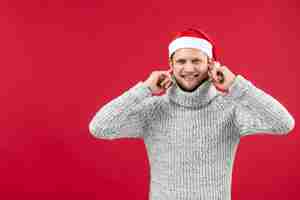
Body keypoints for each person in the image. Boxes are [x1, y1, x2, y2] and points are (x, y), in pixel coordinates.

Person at [88, 27, 295, 200]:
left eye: (196, 61)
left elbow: (283, 123)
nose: (188, 68)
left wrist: (235, 84)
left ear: (211, 64)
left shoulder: (230, 110)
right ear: (171, 65)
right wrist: (144, 89)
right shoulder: (153, 110)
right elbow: (100, 127)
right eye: (181, 61)